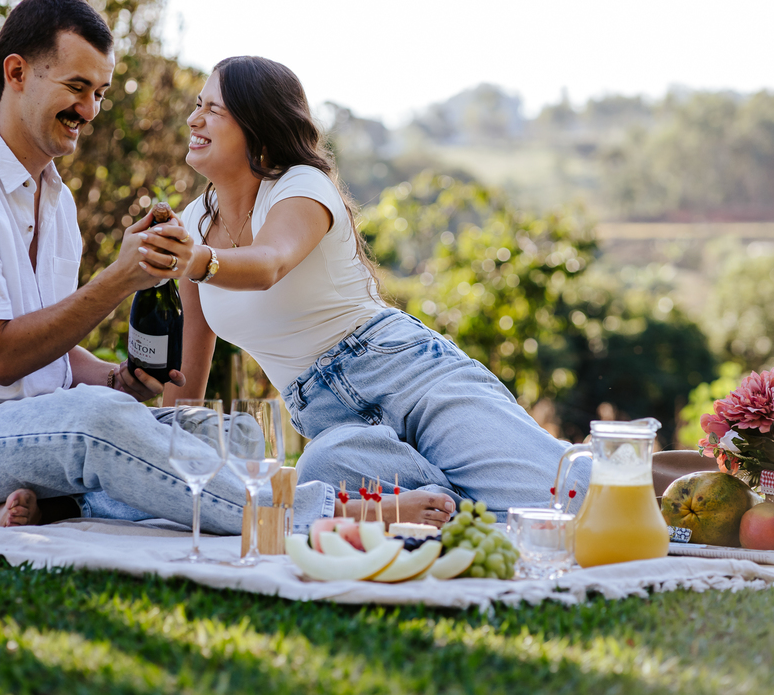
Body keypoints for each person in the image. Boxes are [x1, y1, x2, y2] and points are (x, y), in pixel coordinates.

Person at [0, 0, 445, 533]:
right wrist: (118, 281)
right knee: (96, 422)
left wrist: (117, 378)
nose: (89, 109)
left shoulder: (52, 197)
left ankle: (66, 501)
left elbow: (44, 349)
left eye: (101, 93)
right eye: (77, 87)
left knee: (231, 434)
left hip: (28, 430)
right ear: (16, 73)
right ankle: (330, 512)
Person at [132, 55, 593, 520]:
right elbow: (186, 382)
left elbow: (270, 262)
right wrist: (171, 464)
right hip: (332, 426)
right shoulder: (190, 228)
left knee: (566, 503)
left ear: (259, 126)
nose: (194, 118)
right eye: (198, 104)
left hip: (405, 373)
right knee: (319, 468)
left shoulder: (302, 186)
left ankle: (627, 472)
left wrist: (197, 259)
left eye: (215, 109)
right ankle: (454, 507)